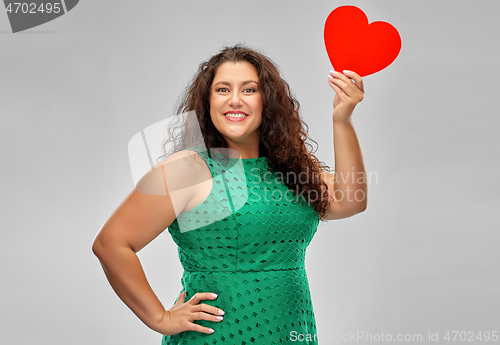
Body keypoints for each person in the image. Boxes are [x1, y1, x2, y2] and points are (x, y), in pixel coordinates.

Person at [92, 44, 367, 344]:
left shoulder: (293, 171)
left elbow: (351, 201)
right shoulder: (190, 168)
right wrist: (160, 318)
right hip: (218, 337)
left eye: (249, 90)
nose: (235, 100)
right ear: (208, 101)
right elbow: (111, 244)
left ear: (268, 102)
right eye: (223, 90)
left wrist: (342, 119)